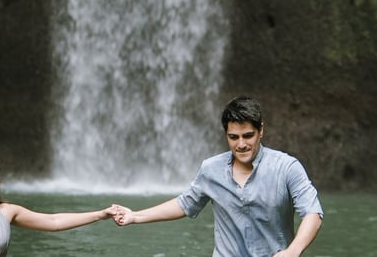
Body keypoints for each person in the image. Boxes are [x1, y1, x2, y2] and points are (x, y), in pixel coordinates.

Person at [112, 96, 323, 257]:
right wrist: (134, 216)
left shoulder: (287, 168)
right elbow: (184, 204)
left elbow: (313, 212)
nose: (241, 144)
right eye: (233, 137)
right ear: (226, 135)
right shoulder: (211, 169)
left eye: (248, 136)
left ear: (261, 131)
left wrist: (293, 251)